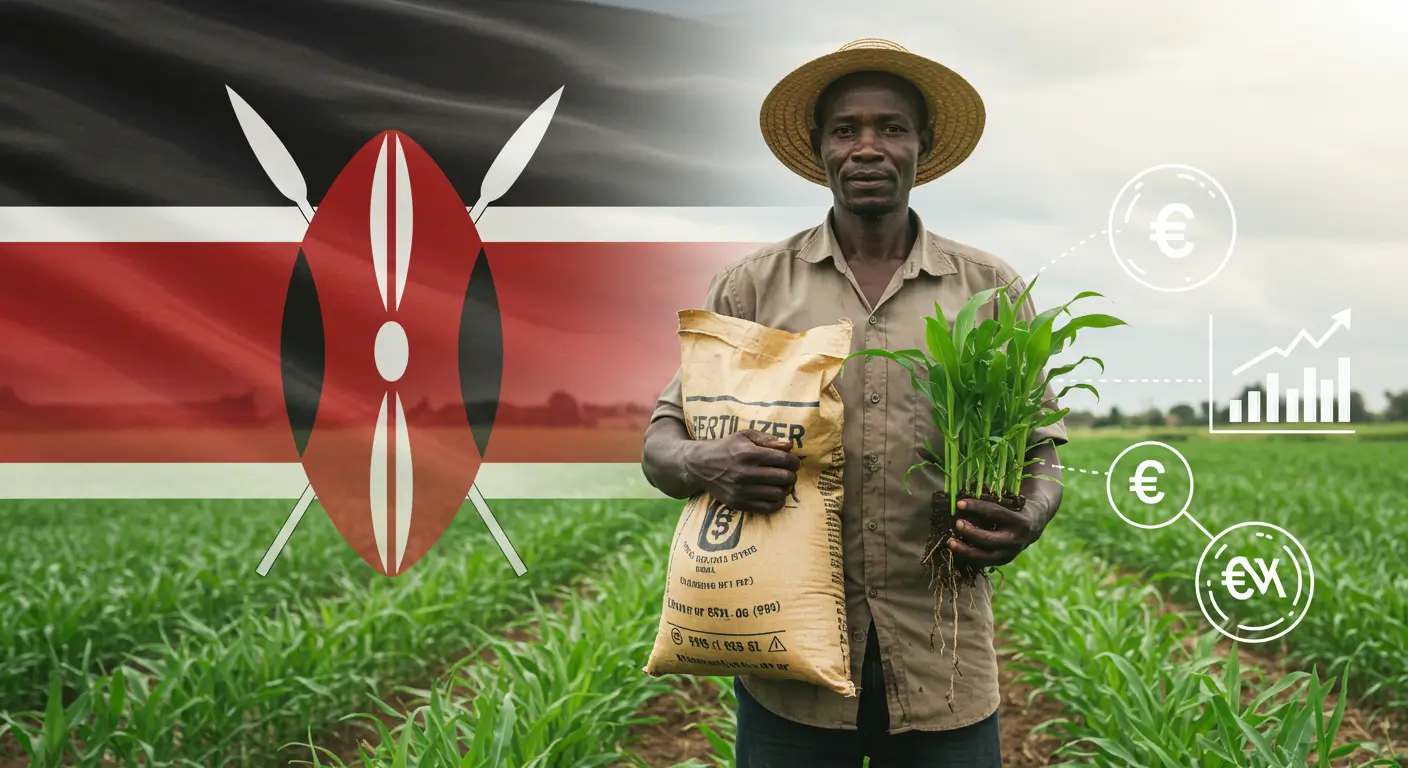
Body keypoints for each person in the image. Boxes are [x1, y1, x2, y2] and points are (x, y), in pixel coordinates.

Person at [640, 39, 1066, 767]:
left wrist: (1025, 516)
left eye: (891, 128)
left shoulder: (988, 289)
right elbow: (661, 440)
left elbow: (1041, 453)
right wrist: (707, 461)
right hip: (785, 667)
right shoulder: (754, 287)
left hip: (944, 665)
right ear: (821, 149)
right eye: (846, 130)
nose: (869, 147)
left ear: (921, 148)